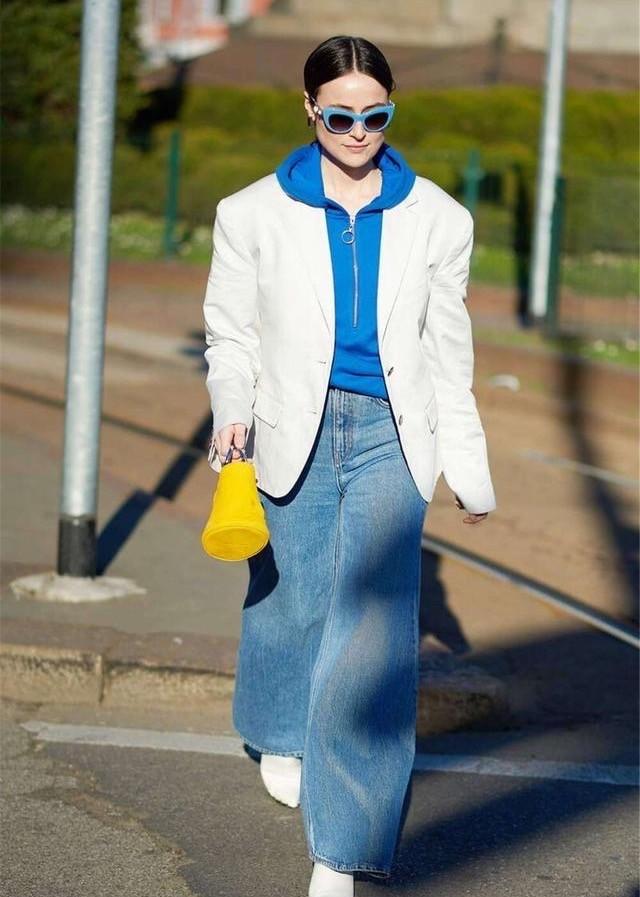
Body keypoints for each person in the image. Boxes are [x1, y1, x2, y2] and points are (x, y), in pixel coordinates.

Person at [202, 34, 497, 897]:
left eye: (376, 115)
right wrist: (231, 409)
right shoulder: (249, 213)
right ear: (310, 110)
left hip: (390, 437)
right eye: (340, 116)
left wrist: (466, 467)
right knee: (292, 598)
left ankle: (345, 848)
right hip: (289, 422)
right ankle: (278, 728)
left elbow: (449, 355)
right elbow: (231, 337)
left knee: (373, 633)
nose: (359, 131)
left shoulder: (440, 219)